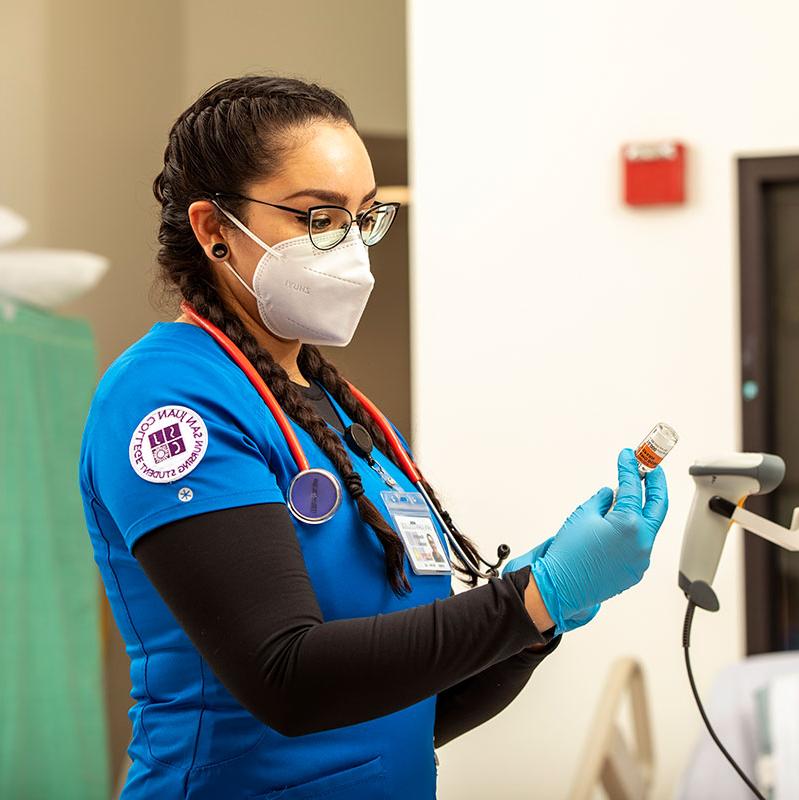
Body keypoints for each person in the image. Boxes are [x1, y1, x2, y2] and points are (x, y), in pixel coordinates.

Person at [78, 75, 669, 800]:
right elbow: (288, 680)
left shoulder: (341, 413)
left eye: (364, 216)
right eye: (318, 216)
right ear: (212, 229)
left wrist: (542, 619)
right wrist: (527, 597)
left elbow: (409, 709)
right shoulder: (169, 397)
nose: (351, 246)